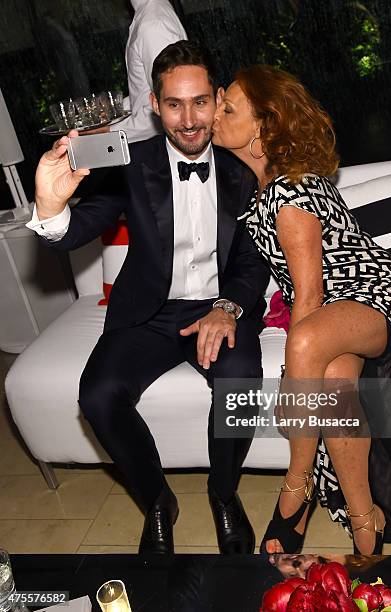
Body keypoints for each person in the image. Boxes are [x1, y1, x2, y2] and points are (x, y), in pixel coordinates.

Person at [27, 41, 270, 554]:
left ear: (217, 98)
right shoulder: (131, 166)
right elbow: (80, 227)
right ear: (155, 106)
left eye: (200, 102)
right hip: (149, 314)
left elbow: (254, 261)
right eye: (175, 105)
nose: (188, 120)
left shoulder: (242, 171)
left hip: (216, 309)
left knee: (242, 378)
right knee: (96, 394)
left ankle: (223, 496)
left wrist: (227, 309)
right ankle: (158, 501)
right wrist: (50, 206)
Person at [212, 64, 391, 555]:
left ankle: (296, 488)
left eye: (228, 107)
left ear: (264, 126)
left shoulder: (287, 191)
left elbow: (310, 297)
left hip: (373, 295)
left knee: (304, 344)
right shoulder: (269, 185)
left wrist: (291, 381)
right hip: (334, 312)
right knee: (335, 382)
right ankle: (367, 519)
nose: (215, 113)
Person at [109, 0, 187, 142]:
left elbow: (168, 111)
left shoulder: (152, 24)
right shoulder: (150, 12)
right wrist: (111, 111)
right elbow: (144, 95)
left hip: (158, 147)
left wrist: (106, 133)